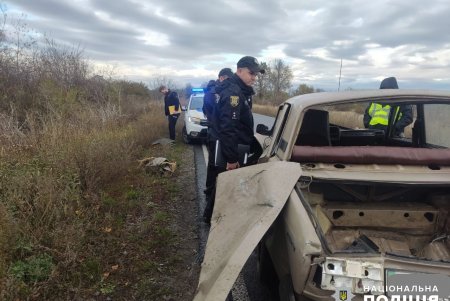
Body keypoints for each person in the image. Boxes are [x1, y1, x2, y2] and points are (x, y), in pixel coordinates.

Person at [203, 56, 264, 224]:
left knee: (224, 183)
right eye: (251, 73)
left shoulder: (240, 90)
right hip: (231, 147)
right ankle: (214, 219)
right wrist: (231, 158)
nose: (254, 78)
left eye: (256, 75)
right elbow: (228, 128)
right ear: (240, 70)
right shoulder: (233, 93)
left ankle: (211, 216)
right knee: (226, 184)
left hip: (236, 145)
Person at [202, 68, 234, 198]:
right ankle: (213, 191)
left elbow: (206, 110)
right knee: (217, 164)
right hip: (217, 131)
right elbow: (217, 113)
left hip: (213, 130)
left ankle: (209, 189)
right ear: (221, 78)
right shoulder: (216, 93)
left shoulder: (212, 93)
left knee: (213, 162)